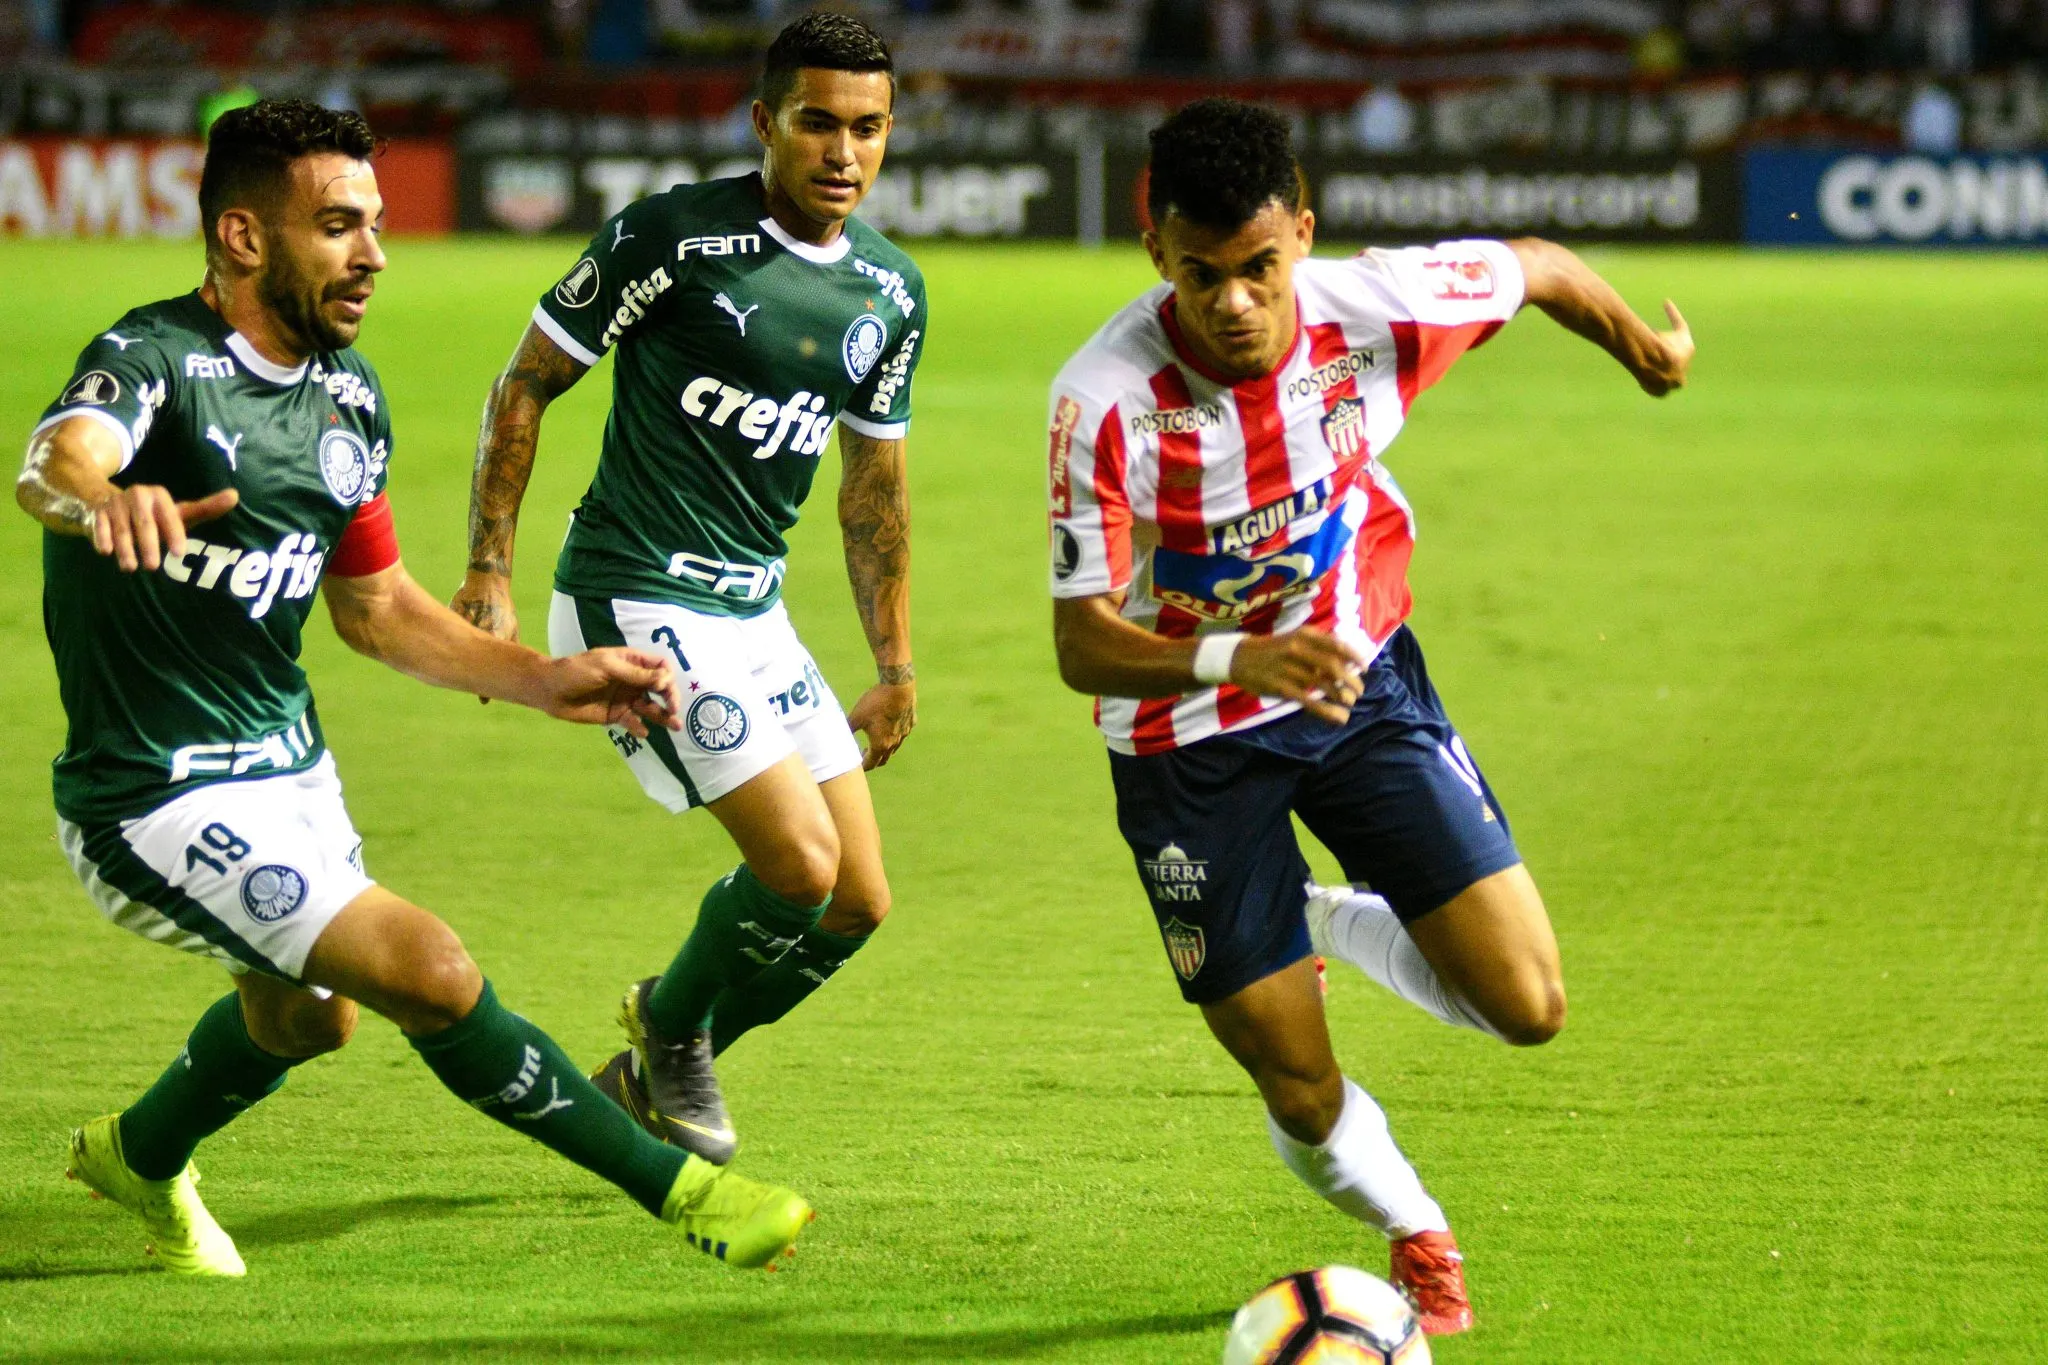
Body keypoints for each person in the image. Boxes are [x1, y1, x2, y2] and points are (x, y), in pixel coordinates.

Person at [17, 99, 812, 1277]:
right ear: (243, 238)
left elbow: (375, 608)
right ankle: (688, 1191)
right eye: (338, 226)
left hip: (285, 765)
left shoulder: (348, 399)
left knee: (309, 1016)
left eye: (376, 223)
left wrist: (545, 679)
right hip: (149, 794)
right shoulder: (153, 360)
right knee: (429, 973)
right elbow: (56, 461)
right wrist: (103, 500)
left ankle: (137, 1156)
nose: (374, 254)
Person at [1044, 98, 1693, 1334]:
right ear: (1155, 254)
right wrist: (1237, 654)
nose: (1232, 302)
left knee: (1527, 1007)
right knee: (1292, 1081)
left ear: (1303, 231)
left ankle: (1325, 917)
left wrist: (1641, 352)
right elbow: (1080, 645)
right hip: (1186, 752)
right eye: (1199, 274)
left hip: (1357, 687)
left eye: (1257, 268)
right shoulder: (1105, 400)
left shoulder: (1380, 306)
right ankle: (1416, 1234)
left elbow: (1542, 268)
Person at [450, 12, 924, 1167]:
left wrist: (895, 664)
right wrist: (488, 572)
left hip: (754, 613)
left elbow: (872, 493)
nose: (842, 152)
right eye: (817, 123)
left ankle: (658, 1053)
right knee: (797, 868)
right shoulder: (673, 237)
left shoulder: (890, 291)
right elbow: (524, 387)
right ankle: (669, 1032)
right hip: (632, 592)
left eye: (867, 128)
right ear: (764, 122)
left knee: (856, 904)